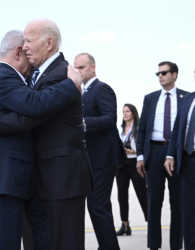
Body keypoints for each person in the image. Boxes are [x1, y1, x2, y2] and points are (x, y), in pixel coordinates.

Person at [0, 19, 93, 250]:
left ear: (49, 43)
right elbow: (28, 105)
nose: (25, 47)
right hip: (9, 180)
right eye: (23, 42)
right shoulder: (25, 77)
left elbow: (32, 112)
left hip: (59, 176)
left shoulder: (60, 74)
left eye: (29, 40)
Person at [74, 53, 125, 250]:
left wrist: (82, 123)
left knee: (96, 205)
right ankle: (107, 245)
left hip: (103, 158)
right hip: (91, 158)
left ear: (93, 68)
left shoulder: (101, 88)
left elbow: (110, 118)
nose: (78, 71)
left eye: (82, 67)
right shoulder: (82, 92)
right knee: (101, 205)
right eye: (76, 68)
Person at [136, 61, 188, 250]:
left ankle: (176, 246)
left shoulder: (187, 98)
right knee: (154, 202)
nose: (160, 76)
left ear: (175, 75)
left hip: (177, 154)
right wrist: (140, 156)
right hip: (154, 152)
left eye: (164, 73)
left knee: (178, 203)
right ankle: (154, 246)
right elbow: (141, 130)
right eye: (158, 73)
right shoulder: (150, 99)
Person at [164, 59, 195, 250]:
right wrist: (170, 155)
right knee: (191, 219)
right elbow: (176, 131)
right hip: (188, 165)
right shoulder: (188, 99)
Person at [116, 104, 147, 236]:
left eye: (127, 111)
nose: (125, 113)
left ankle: (150, 221)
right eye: (123, 111)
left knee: (142, 193)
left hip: (135, 162)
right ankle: (125, 224)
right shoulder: (120, 128)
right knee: (122, 195)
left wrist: (132, 151)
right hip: (121, 164)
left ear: (133, 113)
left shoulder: (139, 128)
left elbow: (144, 147)